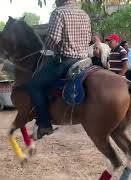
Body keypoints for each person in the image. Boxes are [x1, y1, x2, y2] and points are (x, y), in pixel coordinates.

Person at [26, 0, 91, 139]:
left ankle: (44, 125)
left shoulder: (58, 12)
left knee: (34, 85)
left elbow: (53, 39)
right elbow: (88, 37)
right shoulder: (84, 13)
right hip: (84, 61)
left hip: (66, 61)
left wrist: (46, 49)